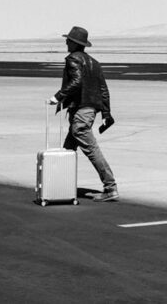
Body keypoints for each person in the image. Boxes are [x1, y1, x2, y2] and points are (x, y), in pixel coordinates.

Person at [47, 26, 118, 202]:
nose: (66, 42)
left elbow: (77, 82)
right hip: (90, 110)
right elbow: (103, 90)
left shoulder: (73, 59)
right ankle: (58, 185)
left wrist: (58, 97)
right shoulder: (94, 62)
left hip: (81, 111)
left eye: (68, 40)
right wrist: (106, 114)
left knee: (91, 148)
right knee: (68, 149)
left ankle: (110, 187)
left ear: (74, 43)